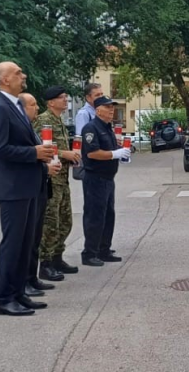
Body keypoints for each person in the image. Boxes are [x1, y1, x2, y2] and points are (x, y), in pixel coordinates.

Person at [0, 62, 55, 316]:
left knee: (26, 244)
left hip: (27, 186)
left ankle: (19, 293)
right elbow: (0, 150)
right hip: (13, 188)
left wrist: (40, 154)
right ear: (5, 79)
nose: (23, 76)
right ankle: (4, 299)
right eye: (18, 73)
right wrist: (34, 153)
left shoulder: (14, 105)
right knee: (13, 244)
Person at [35, 86, 80, 281]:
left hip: (63, 179)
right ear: (50, 102)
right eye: (62, 98)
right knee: (50, 223)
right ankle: (45, 264)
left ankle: (57, 257)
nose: (65, 101)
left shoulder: (59, 121)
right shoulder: (44, 121)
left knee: (65, 221)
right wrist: (65, 154)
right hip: (51, 179)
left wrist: (71, 157)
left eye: (65, 97)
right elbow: (41, 148)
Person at [80, 96, 129, 267]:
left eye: (112, 108)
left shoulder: (107, 128)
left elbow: (111, 148)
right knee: (95, 216)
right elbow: (92, 153)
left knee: (108, 216)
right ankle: (89, 253)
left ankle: (104, 250)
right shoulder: (91, 128)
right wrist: (115, 154)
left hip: (108, 179)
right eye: (108, 108)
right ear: (98, 109)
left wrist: (121, 153)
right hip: (95, 178)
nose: (111, 111)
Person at [19, 92, 57, 294]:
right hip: (30, 186)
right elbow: (26, 158)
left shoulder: (31, 129)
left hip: (41, 187)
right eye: (32, 104)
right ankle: (23, 281)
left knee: (35, 236)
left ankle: (32, 278)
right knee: (27, 238)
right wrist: (45, 168)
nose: (36, 108)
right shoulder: (23, 129)